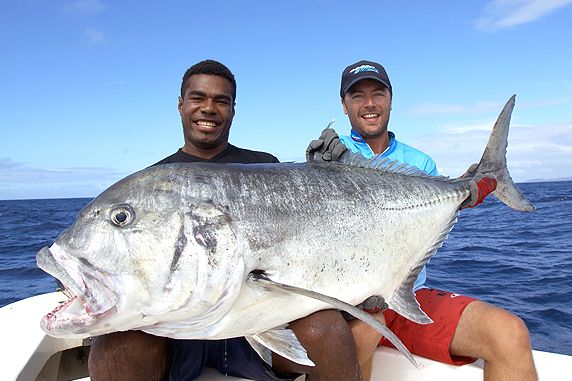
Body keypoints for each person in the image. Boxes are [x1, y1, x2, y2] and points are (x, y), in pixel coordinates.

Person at [88, 59, 364, 381]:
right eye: (198, 98)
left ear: (233, 110)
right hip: (178, 331)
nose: (208, 108)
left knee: (329, 329)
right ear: (181, 105)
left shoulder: (265, 167)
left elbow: (303, 237)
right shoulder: (152, 183)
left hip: (255, 319)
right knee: (114, 349)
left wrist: (329, 177)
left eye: (221, 101)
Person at [308, 60, 538, 381]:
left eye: (378, 93)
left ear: (391, 99)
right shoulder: (328, 154)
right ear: (344, 106)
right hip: (349, 304)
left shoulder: (420, 162)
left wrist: (463, 193)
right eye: (357, 96)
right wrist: (321, 170)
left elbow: (428, 218)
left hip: (406, 297)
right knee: (359, 335)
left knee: (509, 333)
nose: (369, 103)